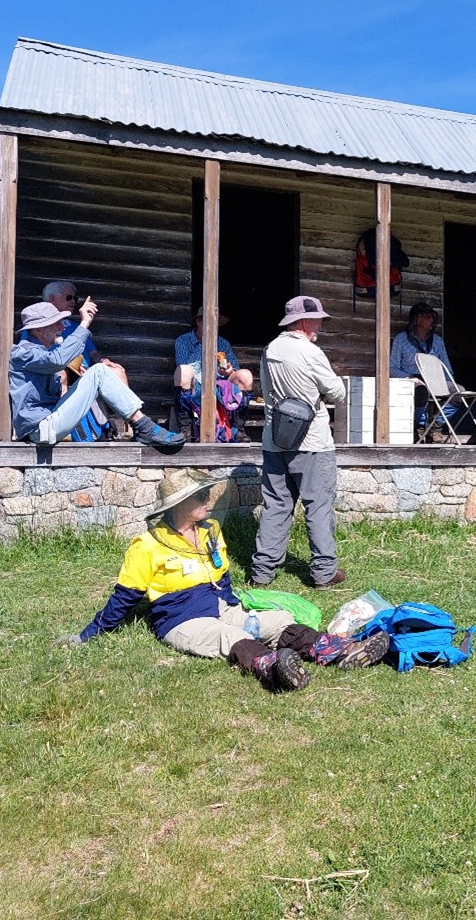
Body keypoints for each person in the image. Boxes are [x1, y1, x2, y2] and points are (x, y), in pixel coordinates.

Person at [59, 469, 389, 692]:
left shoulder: (211, 532)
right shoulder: (146, 546)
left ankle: (340, 651)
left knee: (278, 620)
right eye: (199, 496)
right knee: (228, 636)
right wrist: (86, 636)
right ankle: (274, 669)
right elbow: (124, 599)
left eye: (206, 493)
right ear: (177, 505)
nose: (207, 500)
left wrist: (238, 608)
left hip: (220, 605)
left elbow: (224, 578)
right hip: (181, 620)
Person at [250, 296, 348, 589]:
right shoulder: (311, 352)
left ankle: (262, 572)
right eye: (317, 319)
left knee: (276, 507)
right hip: (313, 442)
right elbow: (338, 392)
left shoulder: (269, 350)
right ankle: (323, 572)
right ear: (304, 322)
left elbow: (267, 395)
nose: (320, 324)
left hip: (274, 440)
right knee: (318, 507)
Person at [9, 298, 183, 447]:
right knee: (98, 371)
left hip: (49, 423)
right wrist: (84, 323)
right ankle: (145, 427)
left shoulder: (39, 353)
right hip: (41, 428)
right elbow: (56, 360)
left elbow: (54, 364)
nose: (62, 327)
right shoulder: (22, 352)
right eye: (56, 323)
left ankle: (139, 427)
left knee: (99, 373)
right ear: (38, 330)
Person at [173, 307, 253, 443]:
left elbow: (234, 369)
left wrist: (229, 371)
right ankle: (186, 429)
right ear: (199, 322)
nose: (213, 326)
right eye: (209, 322)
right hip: (195, 386)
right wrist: (205, 345)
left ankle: (237, 429)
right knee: (184, 371)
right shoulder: (184, 341)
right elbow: (182, 367)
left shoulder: (223, 343)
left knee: (244, 375)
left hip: (220, 386)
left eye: (215, 323)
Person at [389, 301, 458, 444]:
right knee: (421, 391)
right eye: (426, 317)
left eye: (432, 317)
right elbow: (392, 367)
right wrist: (409, 378)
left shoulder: (437, 341)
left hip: (434, 380)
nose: (430, 320)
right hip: (412, 379)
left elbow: (447, 367)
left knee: (458, 392)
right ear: (416, 319)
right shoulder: (401, 339)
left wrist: (447, 382)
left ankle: (436, 426)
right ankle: (419, 428)